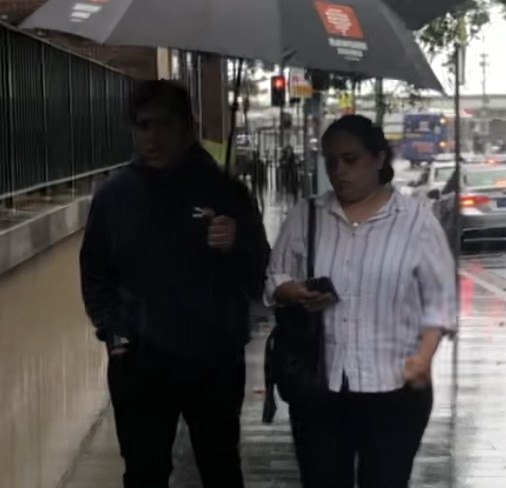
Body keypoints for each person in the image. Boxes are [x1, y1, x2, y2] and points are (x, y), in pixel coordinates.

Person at [79, 80, 269, 488]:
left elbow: (259, 274)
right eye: (143, 126)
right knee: (145, 474)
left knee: (220, 468)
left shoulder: (226, 192)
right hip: (140, 362)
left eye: (163, 125)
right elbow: (95, 272)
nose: (152, 137)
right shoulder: (114, 196)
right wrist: (113, 330)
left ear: (187, 126)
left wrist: (237, 242)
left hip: (213, 360)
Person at [265, 114, 456, 488]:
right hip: (321, 388)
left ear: (379, 159)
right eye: (330, 160)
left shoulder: (416, 222)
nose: (339, 171)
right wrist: (295, 292)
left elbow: (441, 300)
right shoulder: (307, 216)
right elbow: (274, 278)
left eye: (350, 159)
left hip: (395, 389)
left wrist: (424, 357)